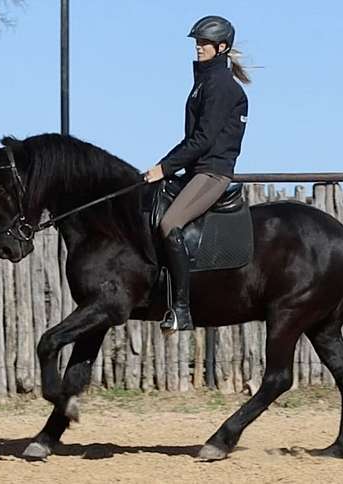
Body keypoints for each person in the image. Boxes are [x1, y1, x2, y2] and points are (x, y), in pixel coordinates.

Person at [144, 15, 250, 332]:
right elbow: (193, 139)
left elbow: (203, 140)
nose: (198, 48)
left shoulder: (221, 87)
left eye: (203, 43)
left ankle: (181, 310)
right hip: (197, 170)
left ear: (221, 47)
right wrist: (163, 166)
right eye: (197, 42)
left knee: (170, 222)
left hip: (213, 173)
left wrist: (164, 168)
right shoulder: (204, 83)